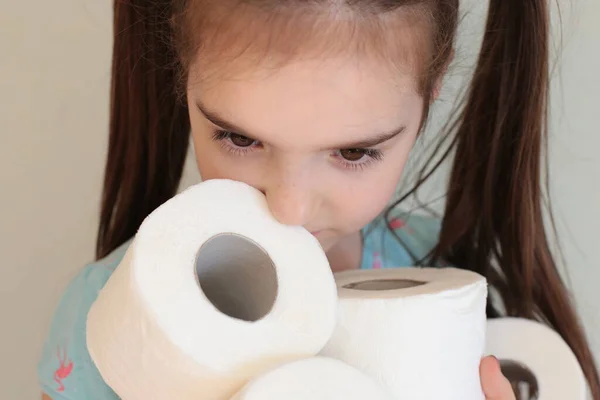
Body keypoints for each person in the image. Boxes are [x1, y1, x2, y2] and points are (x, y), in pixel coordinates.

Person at [38, 0, 600, 399]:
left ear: (429, 97)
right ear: (184, 81)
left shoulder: (456, 288)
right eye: (239, 138)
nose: (290, 209)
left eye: (353, 152)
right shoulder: (111, 318)